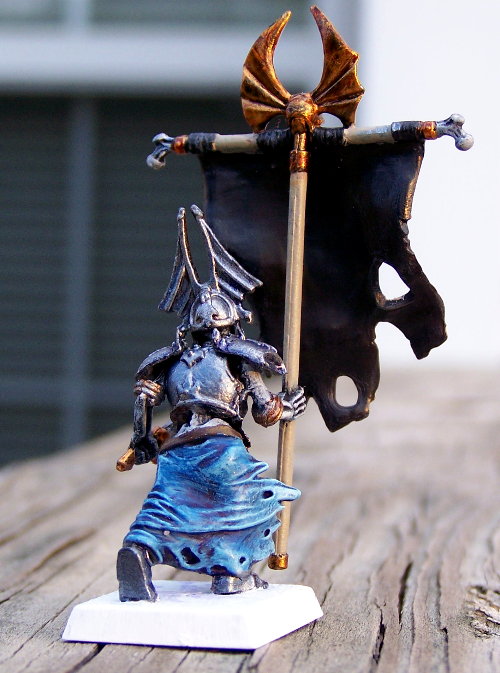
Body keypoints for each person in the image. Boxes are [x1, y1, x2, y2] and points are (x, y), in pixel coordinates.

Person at [117, 205, 306, 601]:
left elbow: (143, 401)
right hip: (222, 449)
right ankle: (230, 575)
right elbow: (264, 411)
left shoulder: (170, 363)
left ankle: (138, 549)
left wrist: (141, 442)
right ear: (231, 322)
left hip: (175, 450)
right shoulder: (237, 357)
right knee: (242, 507)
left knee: (165, 507)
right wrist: (288, 407)